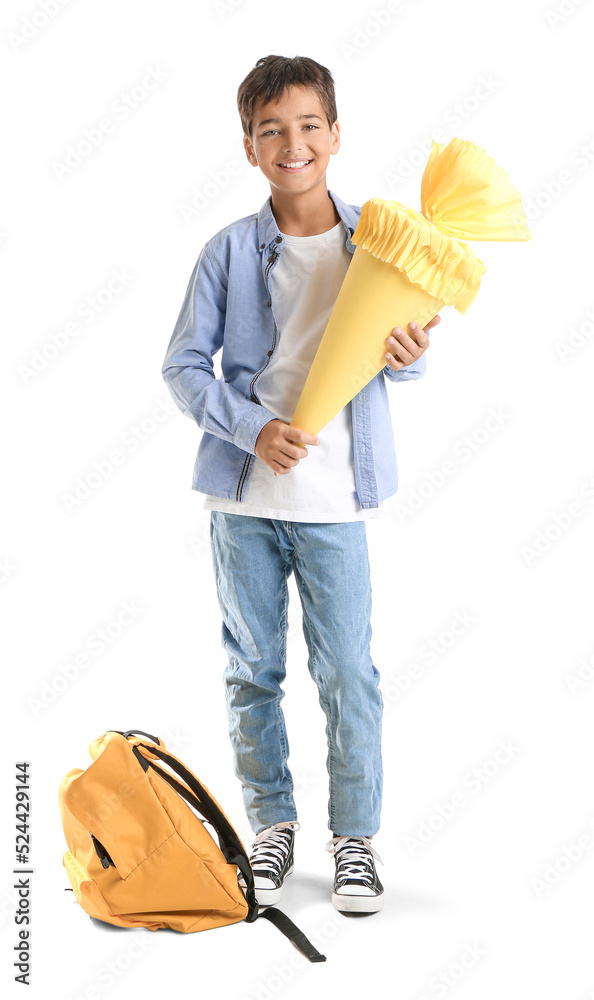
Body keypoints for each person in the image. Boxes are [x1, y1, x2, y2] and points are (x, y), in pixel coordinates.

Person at [161, 54, 440, 915]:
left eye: (309, 125)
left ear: (336, 135)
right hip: (243, 502)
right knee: (252, 672)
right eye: (272, 129)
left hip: (334, 503)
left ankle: (354, 841)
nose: (293, 143)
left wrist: (412, 356)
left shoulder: (383, 240)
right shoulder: (226, 252)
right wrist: (253, 427)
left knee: (348, 672)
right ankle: (270, 826)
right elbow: (181, 368)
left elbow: (401, 357)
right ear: (249, 146)